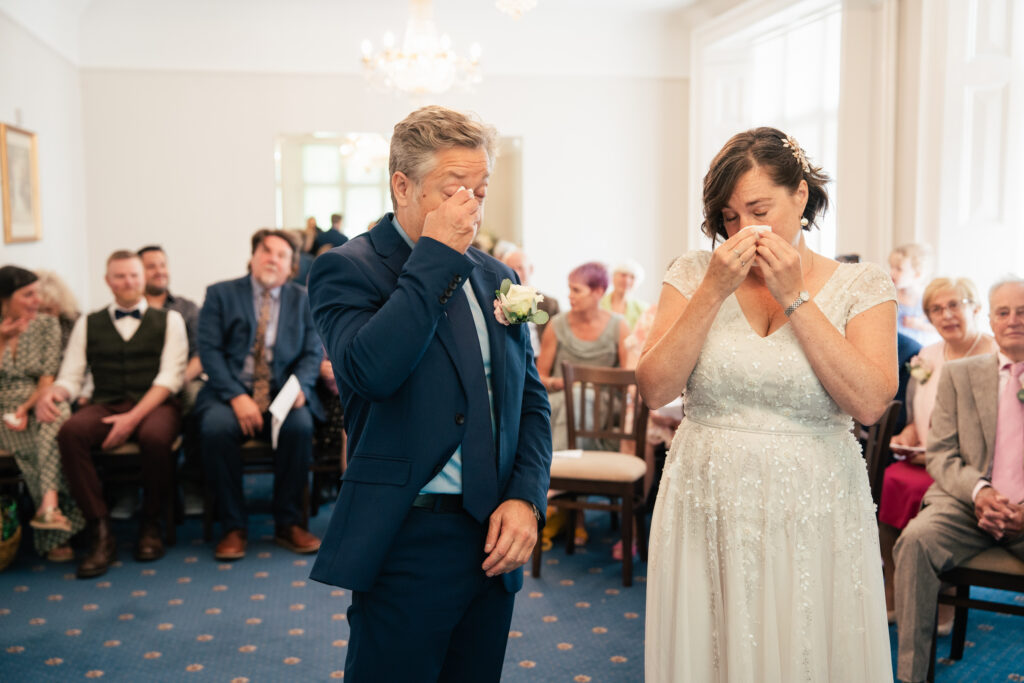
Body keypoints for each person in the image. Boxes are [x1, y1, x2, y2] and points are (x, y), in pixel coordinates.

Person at [637, 127, 897, 682]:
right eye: (728, 217)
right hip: (704, 497)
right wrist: (711, 291)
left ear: (800, 196)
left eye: (759, 209)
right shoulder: (692, 273)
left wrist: (794, 297)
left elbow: (871, 401)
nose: (743, 230)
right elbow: (655, 388)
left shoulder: (862, 283)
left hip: (815, 503)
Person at [306, 105, 552, 683]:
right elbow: (371, 373)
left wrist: (526, 498)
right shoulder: (347, 269)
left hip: (494, 535)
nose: (470, 204)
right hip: (405, 537)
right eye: (453, 189)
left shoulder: (498, 277)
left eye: (480, 190)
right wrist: (436, 259)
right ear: (402, 185)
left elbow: (531, 402)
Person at [893, 276, 1024, 682]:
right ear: (992, 318)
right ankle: (913, 676)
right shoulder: (961, 374)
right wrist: (979, 491)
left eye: (1022, 311)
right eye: (1004, 312)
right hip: (966, 504)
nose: (1013, 320)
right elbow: (943, 454)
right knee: (915, 540)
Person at [36, 251, 188, 578]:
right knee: (70, 432)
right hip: (105, 402)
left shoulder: (170, 320)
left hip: (155, 404)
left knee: (155, 437)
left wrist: (131, 420)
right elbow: (72, 377)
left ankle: (150, 523)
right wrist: (54, 393)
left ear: (143, 278)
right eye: (119, 276)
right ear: (108, 281)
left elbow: (170, 378)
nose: (128, 282)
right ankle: (100, 528)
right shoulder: (88, 323)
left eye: (134, 275)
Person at [195, 229, 324, 561]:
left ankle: (289, 523)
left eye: (282, 255)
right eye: (266, 251)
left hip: (282, 394)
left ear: (291, 267)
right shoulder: (220, 294)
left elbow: (313, 353)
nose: (273, 259)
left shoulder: (304, 299)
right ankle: (233, 527)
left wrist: (300, 386)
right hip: (230, 393)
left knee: (300, 427)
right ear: (253, 256)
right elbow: (209, 351)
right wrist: (237, 396)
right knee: (215, 429)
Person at [880, 277, 997, 622]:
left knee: (929, 493)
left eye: (954, 305)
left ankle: (945, 598)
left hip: (971, 468)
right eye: (935, 309)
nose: (945, 315)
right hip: (923, 458)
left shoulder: (994, 356)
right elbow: (917, 413)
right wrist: (909, 433)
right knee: (890, 480)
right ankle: (894, 586)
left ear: (975, 308)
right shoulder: (928, 356)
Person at [0, 266, 84, 562]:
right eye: (28, 294)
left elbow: (47, 379)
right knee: (43, 447)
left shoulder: (47, 325)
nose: (36, 300)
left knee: (55, 412)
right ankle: (53, 522)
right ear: (6, 298)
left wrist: (25, 408)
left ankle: (48, 506)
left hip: (34, 401)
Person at [537, 262, 628, 452]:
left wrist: (592, 382)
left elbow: (629, 378)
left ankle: (562, 468)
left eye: (576, 290)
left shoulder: (619, 327)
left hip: (604, 402)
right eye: (569, 289)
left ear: (598, 292)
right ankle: (569, 467)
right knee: (571, 401)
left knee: (579, 398)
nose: (570, 296)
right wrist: (558, 383)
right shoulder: (556, 325)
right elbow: (539, 377)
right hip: (560, 398)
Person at [500, 248, 560, 347]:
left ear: (531, 269)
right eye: (511, 269)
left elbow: (558, 341)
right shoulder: (498, 301)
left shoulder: (550, 304)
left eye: (520, 268)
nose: (516, 274)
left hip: (540, 358)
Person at [890, 243, 939, 346]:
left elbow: (938, 327)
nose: (891, 273)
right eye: (891, 267)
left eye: (899, 269)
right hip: (894, 349)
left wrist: (919, 325)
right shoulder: (890, 296)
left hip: (918, 351)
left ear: (917, 274)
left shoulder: (927, 299)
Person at [34, 269, 79, 352]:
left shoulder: (76, 325)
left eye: (48, 310)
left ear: (61, 306)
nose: (44, 316)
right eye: (38, 311)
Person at [600, 259, 649, 330]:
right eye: (623, 275)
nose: (627, 280)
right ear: (613, 277)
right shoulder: (597, 304)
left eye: (632, 277)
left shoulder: (644, 309)